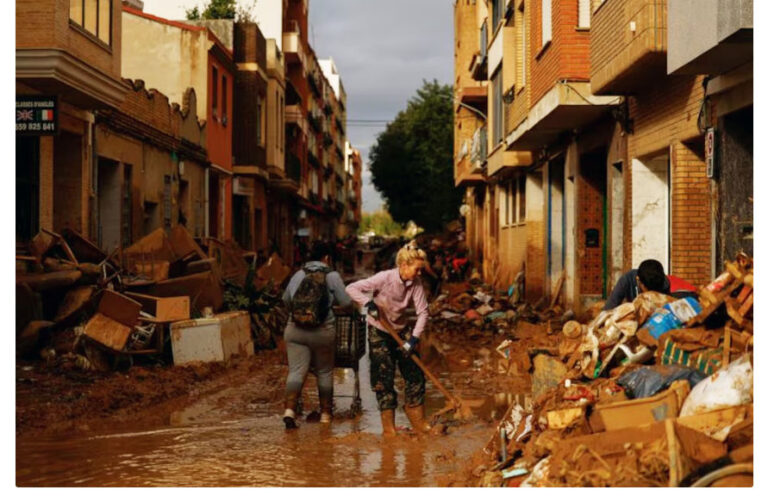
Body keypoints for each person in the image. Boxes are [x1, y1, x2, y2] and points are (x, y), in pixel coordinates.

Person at [345, 241, 433, 436]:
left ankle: (417, 418)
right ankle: (389, 429)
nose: (419, 274)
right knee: (384, 377)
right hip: (379, 330)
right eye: (417, 269)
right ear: (403, 266)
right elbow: (351, 288)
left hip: (401, 330)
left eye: (421, 270)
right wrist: (369, 303)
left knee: (415, 374)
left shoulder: (415, 284)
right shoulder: (384, 278)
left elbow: (423, 313)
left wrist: (414, 339)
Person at [281, 243, 351, 429]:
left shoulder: (298, 274)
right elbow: (345, 302)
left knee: (296, 371)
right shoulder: (332, 275)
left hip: (295, 330)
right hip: (323, 332)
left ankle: (289, 411)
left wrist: (298, 315)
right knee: (324, 371)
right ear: (326, 258)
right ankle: (326, 415)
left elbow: (286, 300)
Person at [603, 259, 697, 311]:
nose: (651, 295)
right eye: (648, 290)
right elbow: (609, 308)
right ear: (638, 281)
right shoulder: (627, 280)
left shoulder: (669, 287)